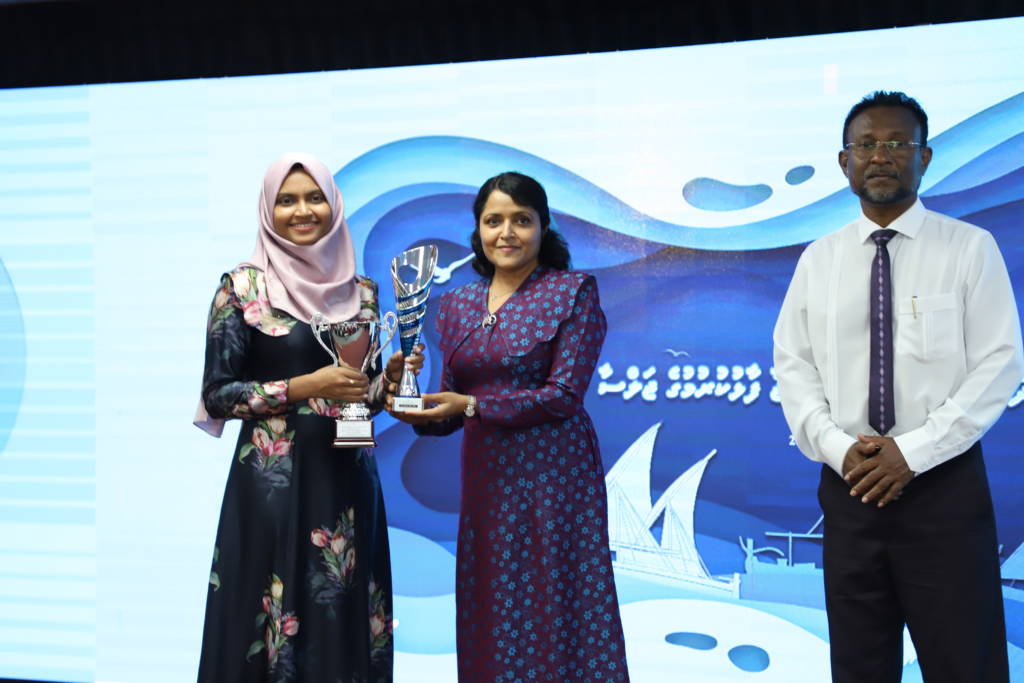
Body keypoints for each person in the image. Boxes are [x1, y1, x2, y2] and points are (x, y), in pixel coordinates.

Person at [773, 91, 1023, 682]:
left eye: (896, 143)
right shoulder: (818, 260)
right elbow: (793, 366)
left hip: (944, 490)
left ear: (925, 157)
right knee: (859, 667)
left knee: (966, 665)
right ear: (844, 162)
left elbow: (1000, 363)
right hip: (851, 489)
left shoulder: (969, 248)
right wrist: (838, 449)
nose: (880, 156)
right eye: (865, 145)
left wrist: (911, 452)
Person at [389, 171, 630, 681]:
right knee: (492, 604)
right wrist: (411, 407)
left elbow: (563, 396)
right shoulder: (456, 305)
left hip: (555, 478)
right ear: (477, 229)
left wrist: (471, 406)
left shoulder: (572, 291)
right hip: (488, 481)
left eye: (522, 220)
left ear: (543, 227)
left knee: (556, 605)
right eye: (493, 221)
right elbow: (451, 403)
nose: (507, 233)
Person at [194, 152, 416, 683]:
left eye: (315, 198)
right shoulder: (241, 289)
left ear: (334, 206)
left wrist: (390, 382)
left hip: (347, 486)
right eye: (287, 200)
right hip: (272, 491)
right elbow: (217, 395)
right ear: (268, 210)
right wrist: (302, 387)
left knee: (342, 619)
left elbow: (361, 394)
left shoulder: (362, 291)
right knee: (267, 617)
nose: (302, 211)